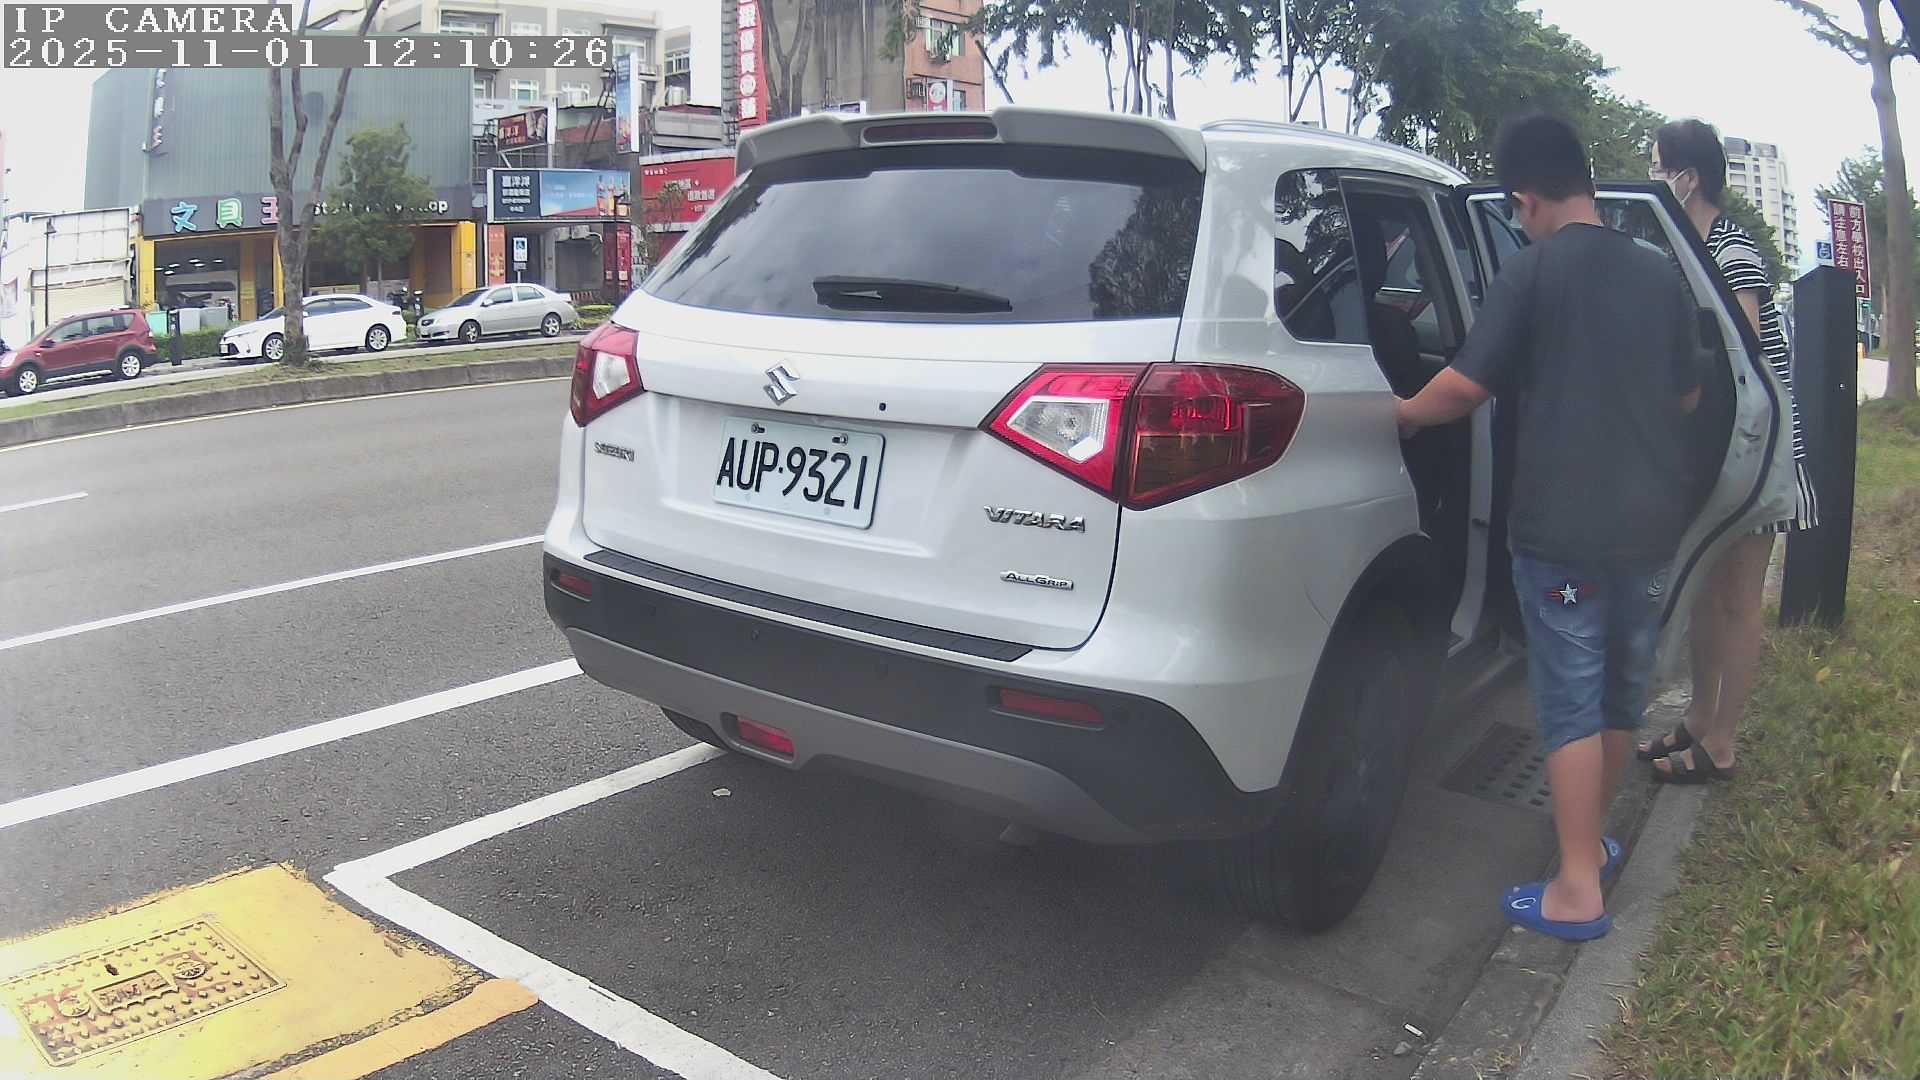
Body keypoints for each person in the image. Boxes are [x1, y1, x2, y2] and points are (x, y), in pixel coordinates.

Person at [1395, 113, 1703, 941]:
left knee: (1568, 700)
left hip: (1562, 539)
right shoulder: (1659, 273)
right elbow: (1691, 396)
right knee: (1619, 692)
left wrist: (1401, 413)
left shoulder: (1531, 273)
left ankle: (1575, 890)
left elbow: (1464, 386)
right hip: (1649, 531)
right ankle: (1588, 847)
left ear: (1526, 198)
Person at [1638, 118, 1819, 784]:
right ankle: (1699, 718)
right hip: (1718, 450)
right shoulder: (1689, 248)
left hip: (1755, 452)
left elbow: (1735, 352)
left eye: (1657, 166)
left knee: (1738, 598)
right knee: (1707, 594)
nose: (1652, 178)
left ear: (1687, 178)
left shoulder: (1731, 249)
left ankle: (1721, 744)